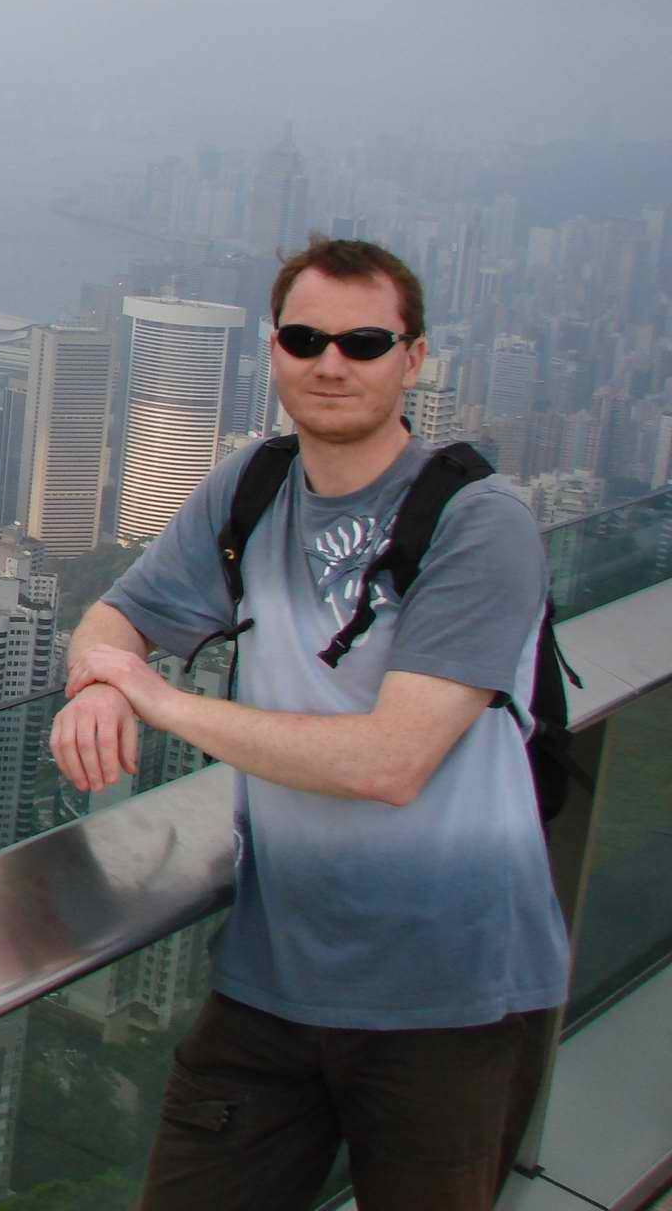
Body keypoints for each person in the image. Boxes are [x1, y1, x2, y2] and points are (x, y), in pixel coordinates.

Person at [51, 237, 570, 1211]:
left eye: (363, 342)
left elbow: (391, 761)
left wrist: (156, 699)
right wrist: (98, 686)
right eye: (305, 339)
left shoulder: (478, 521)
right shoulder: (252, 488)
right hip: (271, 984)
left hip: (451, 999)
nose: (331, 364)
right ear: (274, 351)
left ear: (413, 359)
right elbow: (118, 617)